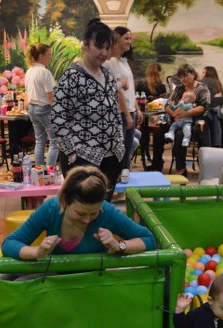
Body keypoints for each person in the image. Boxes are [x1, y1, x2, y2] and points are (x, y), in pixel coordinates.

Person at [1, 165, 155, 259]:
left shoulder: (107, 212)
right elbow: (9, 244)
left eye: (93, 213)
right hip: (53, 280)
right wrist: (38, 253)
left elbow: (149, 239)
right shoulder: (51, 209)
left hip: (91, 283)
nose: (87, 220)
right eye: (81, 214)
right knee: (7, 279)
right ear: (65, 201)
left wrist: (118, 245)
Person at [52, 18, 124, 200]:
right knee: (82, 209)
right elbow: (58, 117)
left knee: (104, 207)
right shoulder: (72, 76)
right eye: (99, 46)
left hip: (112, 156)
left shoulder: (108, 75)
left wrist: (120, 144)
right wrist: (71, 153)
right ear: (85, 45)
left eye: (107, 48)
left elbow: (115, 112)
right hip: (83, 159)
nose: (104, 53)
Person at [150, 64, 211, 176]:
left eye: (185, 76)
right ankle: (156, 165)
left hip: (192, 123)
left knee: (179, 134)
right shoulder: (179, 89)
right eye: (180, 77)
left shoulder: (201, 88)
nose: (183, 79)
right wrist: (173, 114)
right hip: (176, 120)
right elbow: (167, 105)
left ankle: (181, 168)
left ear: (193, 74)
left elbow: (203, 107)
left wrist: (186, 113)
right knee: (158, 133)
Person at [106, 26, 143, 180]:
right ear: (117, 40)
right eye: (126, 38)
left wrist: (137, 109)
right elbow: (118, 91)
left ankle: (125, 177)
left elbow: (130, 89)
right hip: (121, 112)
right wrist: (127, 115)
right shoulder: (112, 62)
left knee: (128, 148)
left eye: (130, 39)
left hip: (130, 110)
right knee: (121, 149)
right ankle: (117, 177)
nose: (129, 42)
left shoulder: (123, 61)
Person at [25, 42, 59, 167]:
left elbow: (27, 93)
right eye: (48, 54)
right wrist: (57, 109)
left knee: (39, 141)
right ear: (41, 56)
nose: (50, 57)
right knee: (55, 142)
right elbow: (50, 95)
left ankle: (39, 170)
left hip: (32, 109)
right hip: (44, 109)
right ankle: (49, 173)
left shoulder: (30, 71)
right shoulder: (45, 72)